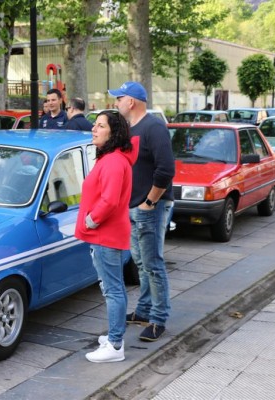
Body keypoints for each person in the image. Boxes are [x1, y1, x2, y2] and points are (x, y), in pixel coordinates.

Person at [109, 81, 175, 342]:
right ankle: (144, 310)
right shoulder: (129, 129)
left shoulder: (154, 127)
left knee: (153, 264)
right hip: (134, 207)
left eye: (119, 99)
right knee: (141, 263)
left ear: (131, 102)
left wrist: (149, 202)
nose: (116, 103)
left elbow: (166, 170)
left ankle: (158, 319)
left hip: (151, 207)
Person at [75, 111, 139, 363]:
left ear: (113, 133)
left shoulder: (113, 161)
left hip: (106, 234)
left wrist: (91, 220)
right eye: (95, 124)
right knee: (113, 288)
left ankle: (114, 345)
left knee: (112, 290)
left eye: (100, 126)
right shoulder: (114, 158)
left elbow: (110, 200)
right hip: (108, 233)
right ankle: (115, 337)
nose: (94, 129)